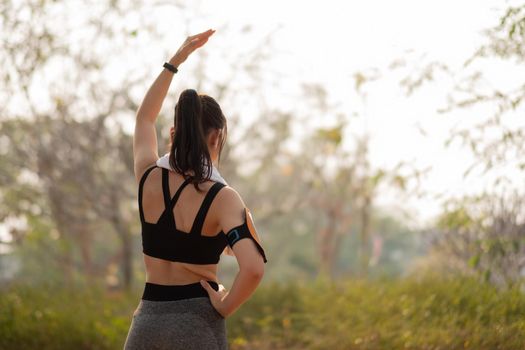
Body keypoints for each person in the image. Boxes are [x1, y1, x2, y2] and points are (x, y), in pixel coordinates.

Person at [124, 29, 267, 350]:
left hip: (146, 325)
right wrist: (224, 306)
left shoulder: (147, 176)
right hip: (197, 325)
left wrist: (175, 60)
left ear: (173, 133)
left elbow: (144, 119)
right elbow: (254, 269)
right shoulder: (224, 198)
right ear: (216, 137)